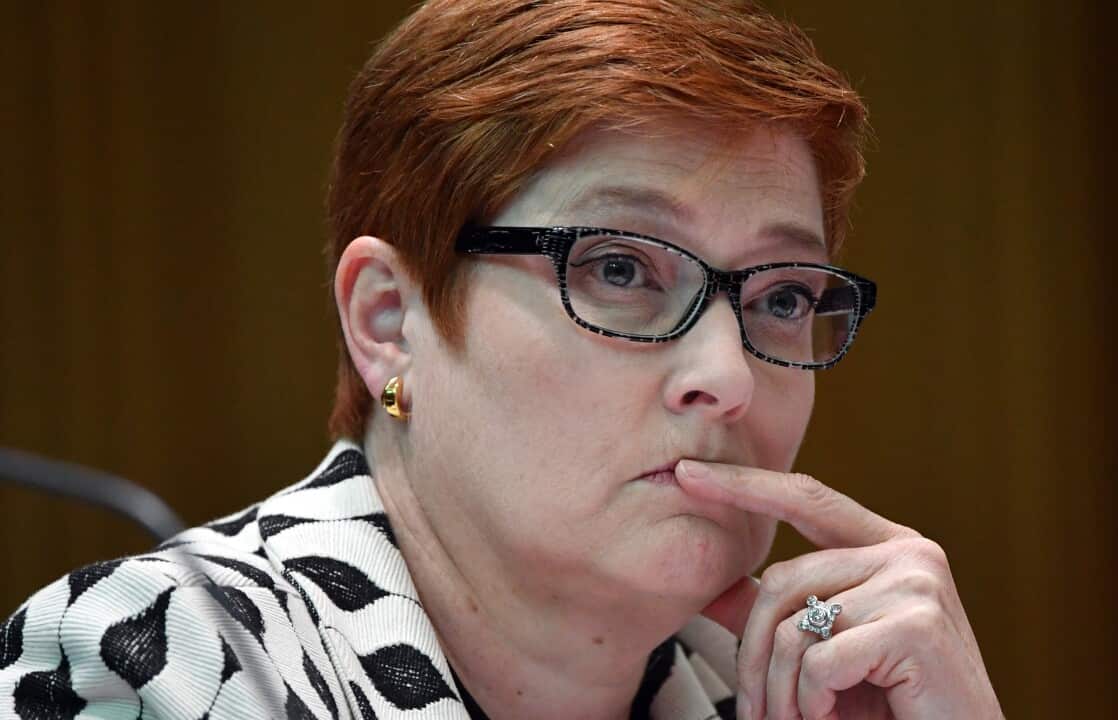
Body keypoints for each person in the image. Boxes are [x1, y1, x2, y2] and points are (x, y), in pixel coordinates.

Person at [0, 1, 1004, 718]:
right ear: (390, 320)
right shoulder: (160, 659)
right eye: (618, 268)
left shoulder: (793, 695)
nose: (729, 376)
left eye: (781, 296)